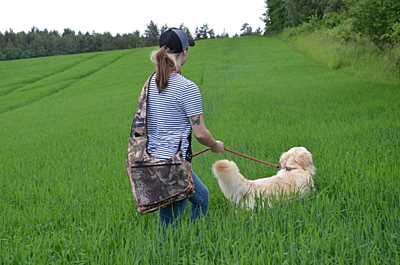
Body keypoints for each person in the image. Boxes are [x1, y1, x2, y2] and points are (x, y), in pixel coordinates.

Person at [147, 27, 224, 233]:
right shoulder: (187, 88)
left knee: (201, 198)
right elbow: (200, 133)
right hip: (174, 165)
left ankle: (194, 241)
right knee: (168, 222)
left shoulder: (149, 84)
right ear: (185, 52)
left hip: (153, 161)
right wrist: (215, 145)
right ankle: (165, 254)